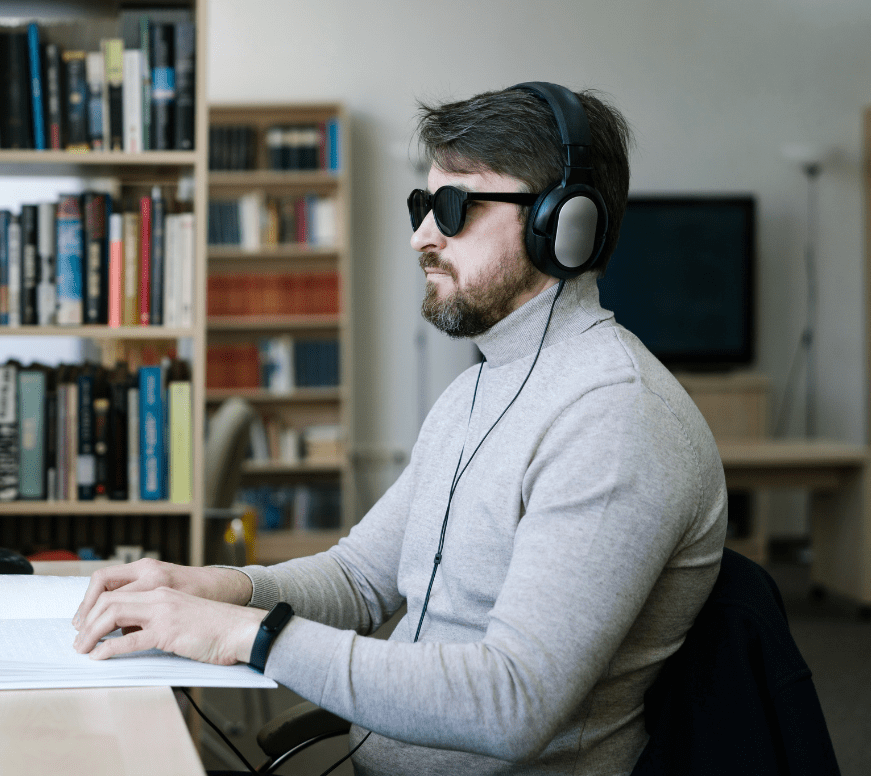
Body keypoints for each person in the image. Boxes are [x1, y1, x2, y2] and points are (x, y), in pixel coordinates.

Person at [72, 83, 727, 775]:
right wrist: (219, 589)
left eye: (452, 207)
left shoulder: (615, 419)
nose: (421, 235)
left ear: (561, 225)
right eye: (422, 205)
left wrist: (248, 636)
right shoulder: (478, 388)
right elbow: (359, 580)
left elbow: (512, 702)